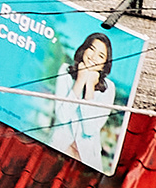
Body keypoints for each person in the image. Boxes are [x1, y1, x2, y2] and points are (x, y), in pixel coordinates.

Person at [39, 28, 123, 170]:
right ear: (84, 49)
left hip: (86, 159)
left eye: (101, 55)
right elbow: (62, 116)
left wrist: (89, 86)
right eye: (91, 49)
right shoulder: (66, 71)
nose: (93, 56)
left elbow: (90, 129)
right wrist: (80, 81)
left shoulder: (108, 88)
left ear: (104, 64)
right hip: (58, 149)